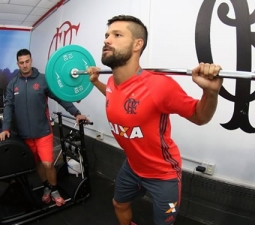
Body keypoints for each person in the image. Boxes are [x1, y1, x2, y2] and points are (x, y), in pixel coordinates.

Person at [87, 15, 223, 225]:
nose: (107, 40)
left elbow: (200, 116)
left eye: (117, 35)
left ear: (137, 44)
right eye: (106, 35)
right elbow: (116, 97)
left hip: (163, 174)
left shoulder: (159, 86)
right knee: (118, 204)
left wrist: (210, 92)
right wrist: (96, 83)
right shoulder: (113, 81)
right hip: (132, 166)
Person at [0, 49, 89, 207]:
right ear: (17, 64)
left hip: (43, 132)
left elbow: (61, 97)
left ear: (31, 60)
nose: (25, 65)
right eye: (21, 62)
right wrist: (5, 127)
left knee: (48, 164)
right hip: (24, 136)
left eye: (27, 61)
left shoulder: (43, 80)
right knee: (38, 165)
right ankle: (46, 188)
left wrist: (76, 113)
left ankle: (54, 190)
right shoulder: (13, 84)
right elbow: (8, 107)